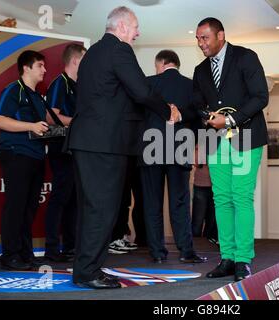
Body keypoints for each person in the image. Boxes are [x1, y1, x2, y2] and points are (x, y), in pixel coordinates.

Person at [66, 6, 179, 289]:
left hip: (88, 141)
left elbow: (113, 97)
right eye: (136, 27)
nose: (138, 33)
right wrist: (167, 111)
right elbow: (140, 90)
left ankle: (86, 268)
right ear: (122, 26)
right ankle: (88, 272)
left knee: (91, 208)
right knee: (102, 209)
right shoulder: (119, 50)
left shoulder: (92, 53)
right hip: (104, 143)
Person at [193, 18, 268, 281]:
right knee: (221, 199)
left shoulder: (246, 58)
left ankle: (243, 260)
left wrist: (231, 119)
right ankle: (227, 258)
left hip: (246, 137)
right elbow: (197, 105)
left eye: (205, 38)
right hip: (216, 141)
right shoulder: (200, 70)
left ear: (220, 35)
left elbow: (261, 96)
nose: (201, 43)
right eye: (198, 39)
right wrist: (207, 117)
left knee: (241, 197)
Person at [140, 49, 207, 264]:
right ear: (176, 64)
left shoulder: (148, 84)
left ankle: (158, 253)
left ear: (161, 64)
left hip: (151, 148)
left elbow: (137, 117)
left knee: (152, 202)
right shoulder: (190, 86)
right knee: (180, 202)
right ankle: (186, 251)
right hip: (181, 148)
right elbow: (199, 119)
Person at [0, 50, 49, 270]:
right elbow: (0, 121)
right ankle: (10, 256)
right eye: (39, 65)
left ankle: (26, 254)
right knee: (15, 207)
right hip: (17, 154)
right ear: (26, 68)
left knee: (28, 209)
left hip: (36, 156)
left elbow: (42, 128)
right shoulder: (13, 90)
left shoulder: (37, 96)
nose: (44, 69)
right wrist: (31, 126)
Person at [44, 43, 86, 262]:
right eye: (84, 60)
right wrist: (80, 123)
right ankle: (52, 249)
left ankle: (70, 246)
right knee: (60, 198)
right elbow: (52, 117)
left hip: (75, 149)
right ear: (76, 60)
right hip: (61, 147)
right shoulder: (60, 83)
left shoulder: (78, 85)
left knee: (73, 200)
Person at [109, 155, 144, 254]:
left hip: (132, 155)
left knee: (126, 200)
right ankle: (115, 238)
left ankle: (121, 237)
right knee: (121, 198)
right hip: (121, 155)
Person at [191, 144, 218, 246]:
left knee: (211, 222)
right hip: (200, 186)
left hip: (216, 186)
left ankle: (207, 248)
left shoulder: (220, 139)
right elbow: (197, 162)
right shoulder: (200, 138)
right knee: (197, 223)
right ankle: (195, 248)